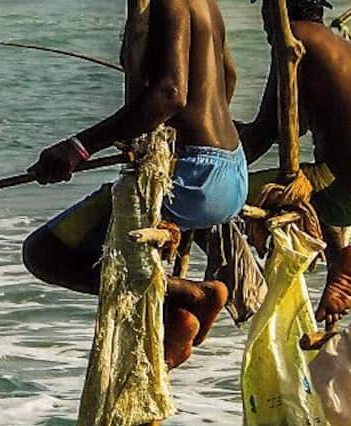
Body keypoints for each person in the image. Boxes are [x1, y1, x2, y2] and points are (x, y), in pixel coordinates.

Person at [23, 0, 246, 370]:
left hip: (192, 181)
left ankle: (191, 294)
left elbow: (170, 94)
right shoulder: (205, 4)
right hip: (231, 171)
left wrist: (78, 148)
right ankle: (175, 310)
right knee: (103, 245)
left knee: (43, 252)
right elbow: (230, 76)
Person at [238, 0, 351, 329]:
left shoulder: (294, 39)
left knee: (230, 195)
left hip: (346, 189)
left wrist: (207, 167)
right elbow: (293, 125)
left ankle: (217, 295)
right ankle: (336, 256)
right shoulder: (342, 48)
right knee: (309, 180)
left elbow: (263, 133)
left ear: (276, 10)